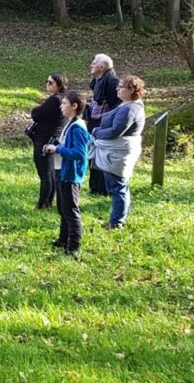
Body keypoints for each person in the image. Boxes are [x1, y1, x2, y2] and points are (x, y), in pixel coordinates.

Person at [92, 75, 146, 230]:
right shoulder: (127, 104)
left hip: (118, 152)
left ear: (131, 89)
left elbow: (115, 131)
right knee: (120, 187)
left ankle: (117, 223)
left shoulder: (130, 109)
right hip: (116, 151)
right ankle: (117, 219)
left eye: (121, 87)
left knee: (118, 188)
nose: (117, 89)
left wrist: (96, 132)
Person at [44, 90, 90, 255]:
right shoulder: (70, 124)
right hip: (61, 170)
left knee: (71, 210)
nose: (61, 106)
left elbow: (79, 153)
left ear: (74, 106)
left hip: (70, 174)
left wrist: (57, 149)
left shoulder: (77, 127)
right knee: (63, 208)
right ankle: (63, 240)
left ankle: (74, 246)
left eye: (64, 104)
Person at [29, 72, 68, 210]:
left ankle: (43, 203)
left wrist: (35, 111)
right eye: (47, 81)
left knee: (45, 173)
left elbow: (37, 114)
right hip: (53, 138)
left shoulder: (55, 100)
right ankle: (48, 201)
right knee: (50, 172)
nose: (47, 84)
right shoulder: (61, 99)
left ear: (59, 85)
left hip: (45, 138)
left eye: (51, 82)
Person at [86, 54, 120, 196]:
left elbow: (115, 106)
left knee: (101, 156)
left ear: (102, 67)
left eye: (93, 63)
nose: (90, 65)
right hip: (95, 122)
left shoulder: (112, 81)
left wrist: (106, 124)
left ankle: (102, 189)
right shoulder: (98, 80)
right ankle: (95, 188)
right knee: (92, 155)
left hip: (103, 125)